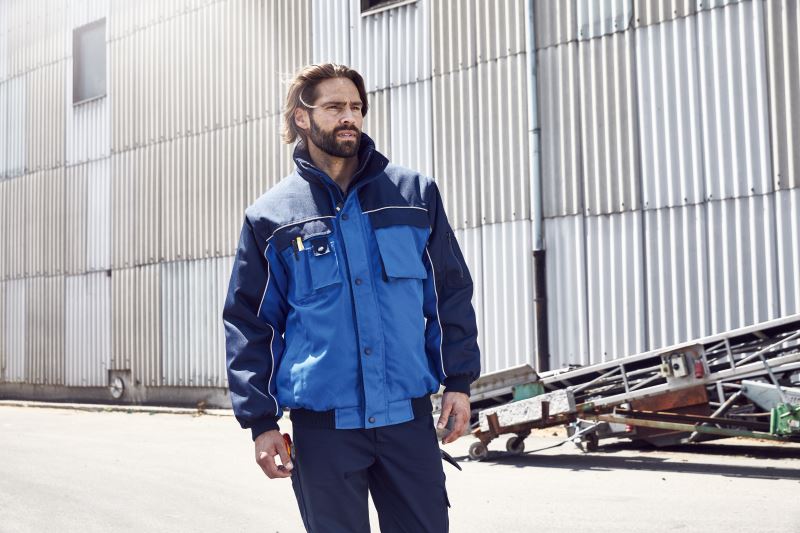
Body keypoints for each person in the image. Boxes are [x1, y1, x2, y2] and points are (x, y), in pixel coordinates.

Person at [223, 63, 481, 533]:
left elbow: (449, 294)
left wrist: (458, 381)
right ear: (302, 117)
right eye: (334, 107)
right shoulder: (271, 217)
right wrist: (262, 423)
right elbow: (250, 324)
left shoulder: (413, 195)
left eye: (356, 107)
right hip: (325, 431)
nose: (349, 117)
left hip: (406, 421)